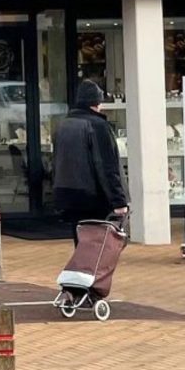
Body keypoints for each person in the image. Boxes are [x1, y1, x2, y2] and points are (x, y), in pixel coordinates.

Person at [51, 79, 128, 245]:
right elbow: (106, 165)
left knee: (80, 245)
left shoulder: (63, 125)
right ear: (97, 102)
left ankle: (81, 270)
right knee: (96, 249)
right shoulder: (97, 125)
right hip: (94, 198)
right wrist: (119, 201)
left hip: (68, 195)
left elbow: (56, 161)